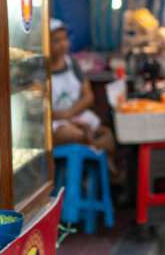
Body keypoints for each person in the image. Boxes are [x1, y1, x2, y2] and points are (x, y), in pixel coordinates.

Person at [49, 19, 115, 155]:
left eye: (65, 39)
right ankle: (92, 146)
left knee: (107, 133)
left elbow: (88, 96)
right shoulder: (40, 69)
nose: (63, 44)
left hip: (74, 115)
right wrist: (60, 117)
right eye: (56, 41)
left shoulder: (72, 63)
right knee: (70, 134)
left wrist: (70, 113)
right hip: (54, 123)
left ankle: (95, 154)